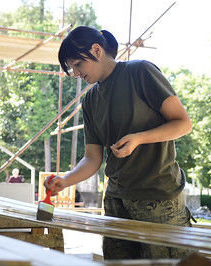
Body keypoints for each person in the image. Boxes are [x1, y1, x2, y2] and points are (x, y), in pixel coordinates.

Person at [44, 26, 194, 260]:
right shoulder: (90, 100)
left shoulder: (140, 71)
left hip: (158, 196)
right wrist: (66, 180)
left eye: (77, 64)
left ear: (96, 50)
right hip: (116, 200)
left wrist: (140, 138)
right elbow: (93, 159)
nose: (76, 73)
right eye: (72, 69)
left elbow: (183, 123)